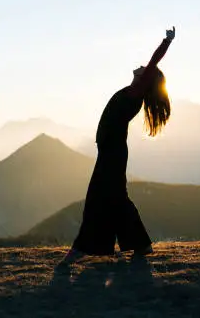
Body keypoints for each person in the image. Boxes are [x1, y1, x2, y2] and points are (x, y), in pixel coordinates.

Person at [61, 26, 176, 264]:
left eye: (147, 70)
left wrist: (167, 42)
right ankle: (141, 244)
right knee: (116, 198)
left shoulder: (136, 92)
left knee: (97, 198)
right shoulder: (134, 93)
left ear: (147, 80)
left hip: (112, 153)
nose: (143, 67)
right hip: (112, 152)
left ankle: (80, 248)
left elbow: (153, 61)